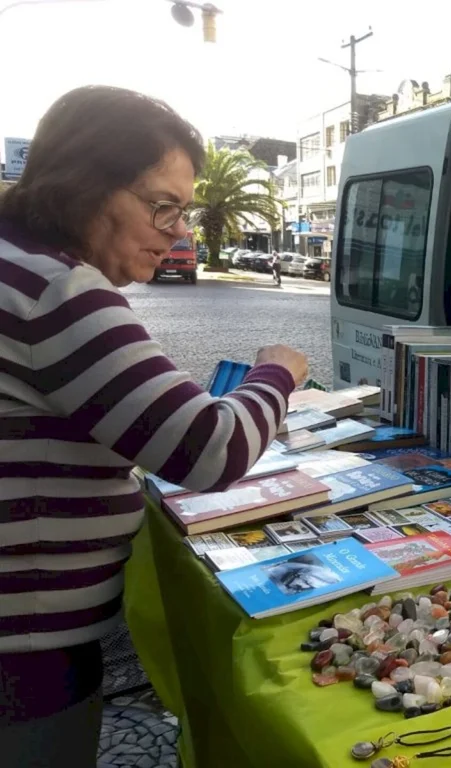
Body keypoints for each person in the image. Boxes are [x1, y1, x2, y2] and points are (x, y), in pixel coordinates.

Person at [0, 86, 308, 766]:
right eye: (161, 205)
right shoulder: (55, 287)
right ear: (84, 184)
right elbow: (209, 449)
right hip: (23, 646)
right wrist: (278, 372)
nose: (178, 231)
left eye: (184, 210)